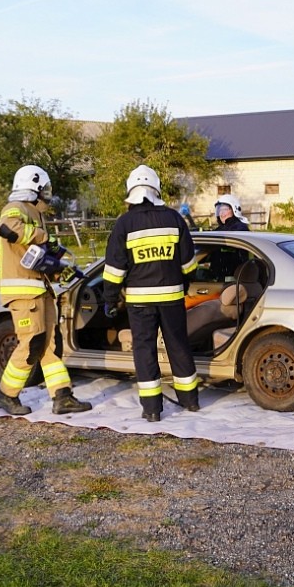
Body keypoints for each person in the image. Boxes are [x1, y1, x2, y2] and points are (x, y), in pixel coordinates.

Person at [102, 164, 201, 421]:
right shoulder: (174, 219)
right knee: (178, 346)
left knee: (144, 351)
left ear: (131, 192)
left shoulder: (124, 224)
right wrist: (184, 284)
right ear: (156, 189)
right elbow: (189, 263)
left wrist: (110, 299)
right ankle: (190, 401)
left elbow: (114, 269)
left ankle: (152, 410)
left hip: (139, 303)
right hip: (172, 299)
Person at [0, 165, 92, 417]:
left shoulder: (34, 213)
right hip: (25, 294)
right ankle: (6, 395)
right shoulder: (16, 208)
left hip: (41, 291)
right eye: (44, 189)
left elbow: (34, 257)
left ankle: (62, 397)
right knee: (31, 343)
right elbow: (7, 228)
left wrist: (60, 269)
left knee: (50, 346)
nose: (47, 195)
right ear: (33, 188)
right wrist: (44, 238)